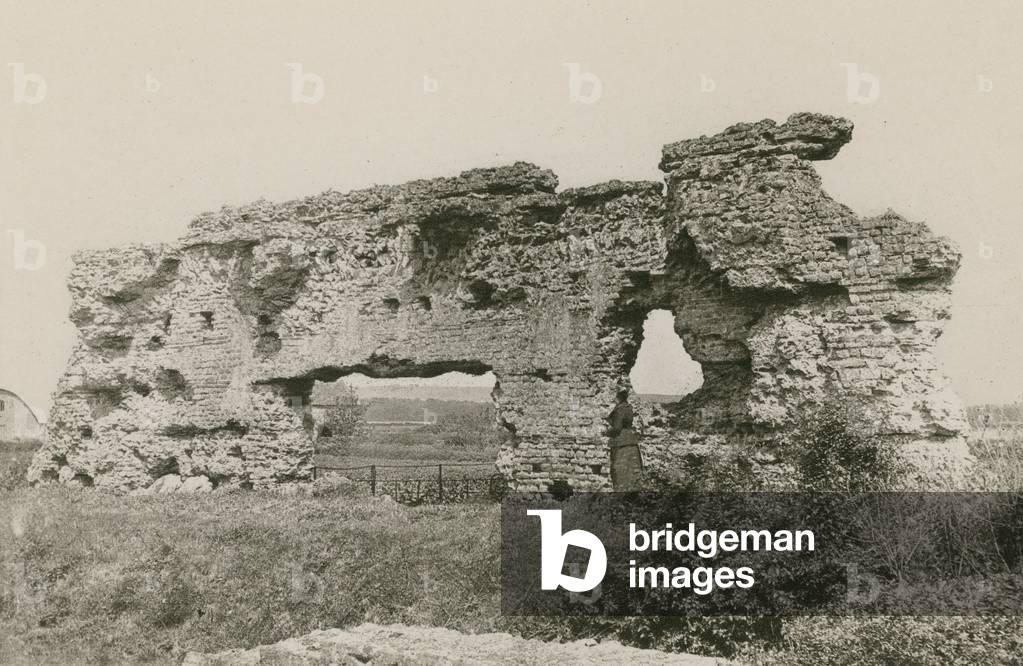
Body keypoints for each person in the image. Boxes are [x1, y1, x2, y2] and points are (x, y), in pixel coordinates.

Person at [606, 389, 643, 490]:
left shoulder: (620, 409)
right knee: (631, 473)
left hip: (620, 442)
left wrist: (606, 432)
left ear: (618, 397)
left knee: (619, 472)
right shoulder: (628, 407)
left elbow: (617, 428)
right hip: (631, 440)